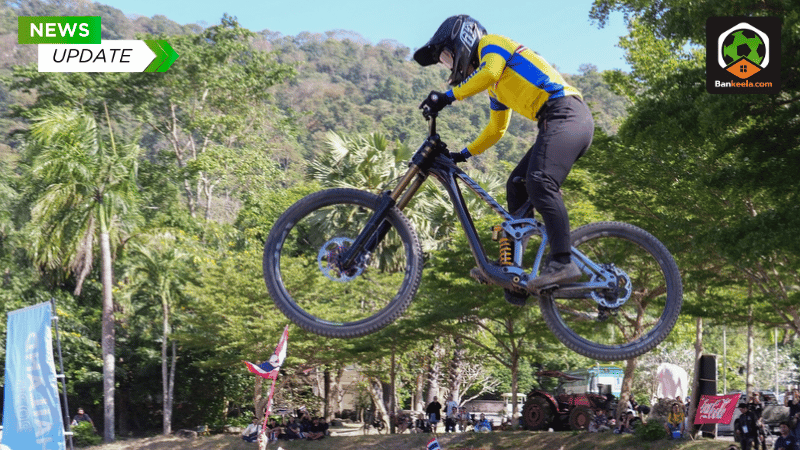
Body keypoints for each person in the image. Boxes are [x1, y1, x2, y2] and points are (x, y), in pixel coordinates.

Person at [414, 15, 594, 298]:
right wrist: (463, 154)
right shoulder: (495, 87)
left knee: (540, 181)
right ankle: (512, 269)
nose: (450, 65)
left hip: (566, 113)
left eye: (447, 57)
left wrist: (447, 97)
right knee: (517, 184)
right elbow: (496, 129)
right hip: (558, 120)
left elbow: (489, 72)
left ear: (463, 39)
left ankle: (563, 261)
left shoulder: (492, 44)